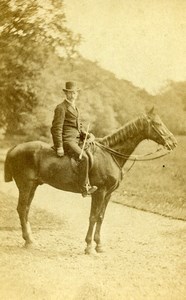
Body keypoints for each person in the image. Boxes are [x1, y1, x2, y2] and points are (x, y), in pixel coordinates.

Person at [51, 81, 97, 197]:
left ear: (77, 94)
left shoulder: (76, 108)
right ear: (66, 93)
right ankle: (83, 187)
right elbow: (56, 128)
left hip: (77, 139)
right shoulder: (61, 108)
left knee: (92, 151)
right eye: (70, 93)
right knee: (84, 158)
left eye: (75, 93)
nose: (72, 95)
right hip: (67, 140)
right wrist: (59, 146)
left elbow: (78, 127)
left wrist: (87, 134)